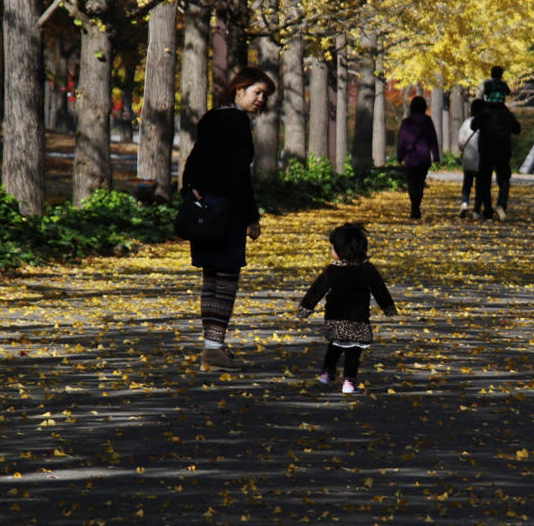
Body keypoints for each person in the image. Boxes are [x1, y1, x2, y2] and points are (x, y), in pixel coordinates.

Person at [181, 66, 275, 372]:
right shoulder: (237, 122)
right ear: (239, 89)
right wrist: (252, 217)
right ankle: (213, 349)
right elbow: (239, 176)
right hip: (227, 212)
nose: (261, 99)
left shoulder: (212, 117)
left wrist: (189, 189)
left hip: (205, 210)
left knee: (211, 281)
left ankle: (213, 346)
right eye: (257, 92)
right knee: (226, 283)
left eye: (265, 95)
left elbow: (194, 159)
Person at [297, 223, 398, 394]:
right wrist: (388, 308)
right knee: (353, 351)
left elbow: (316, 291)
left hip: (335, 318)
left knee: (335, 345)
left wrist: (304, 309)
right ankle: (349, 382)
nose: (330, 251)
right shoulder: (367, 269)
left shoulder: (332, 270)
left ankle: (327, 373)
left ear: (342, 250)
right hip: (358, 320)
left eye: (332, 248)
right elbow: (380, 290)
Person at [471, 97, 520, 220]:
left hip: (486, 151)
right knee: (504, 181)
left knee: (484, 182)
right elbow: (517, 129)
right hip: (503, 152)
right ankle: (501, 204)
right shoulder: (506, 113)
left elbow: (473, 126)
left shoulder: (484, 113)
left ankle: (487, 209)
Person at [396, 96, 440, 219]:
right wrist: (436, 156)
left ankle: (414, 206)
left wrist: (399, 156)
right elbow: (433, 139)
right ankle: (417, 206)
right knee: (420, 183)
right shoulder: (427, 121)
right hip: (423, 157)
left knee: (411, 183)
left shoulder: (406, 122)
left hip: (410, 158)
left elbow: (401, 141)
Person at [457, 99, 485, 218]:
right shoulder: (485, 123)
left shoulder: (467, 122)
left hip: (468, 157)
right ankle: (476, 210)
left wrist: (462, 150)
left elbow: (461, 141)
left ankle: (464, 203)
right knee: (480, 186)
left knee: (467, 183)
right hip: (482, 159)